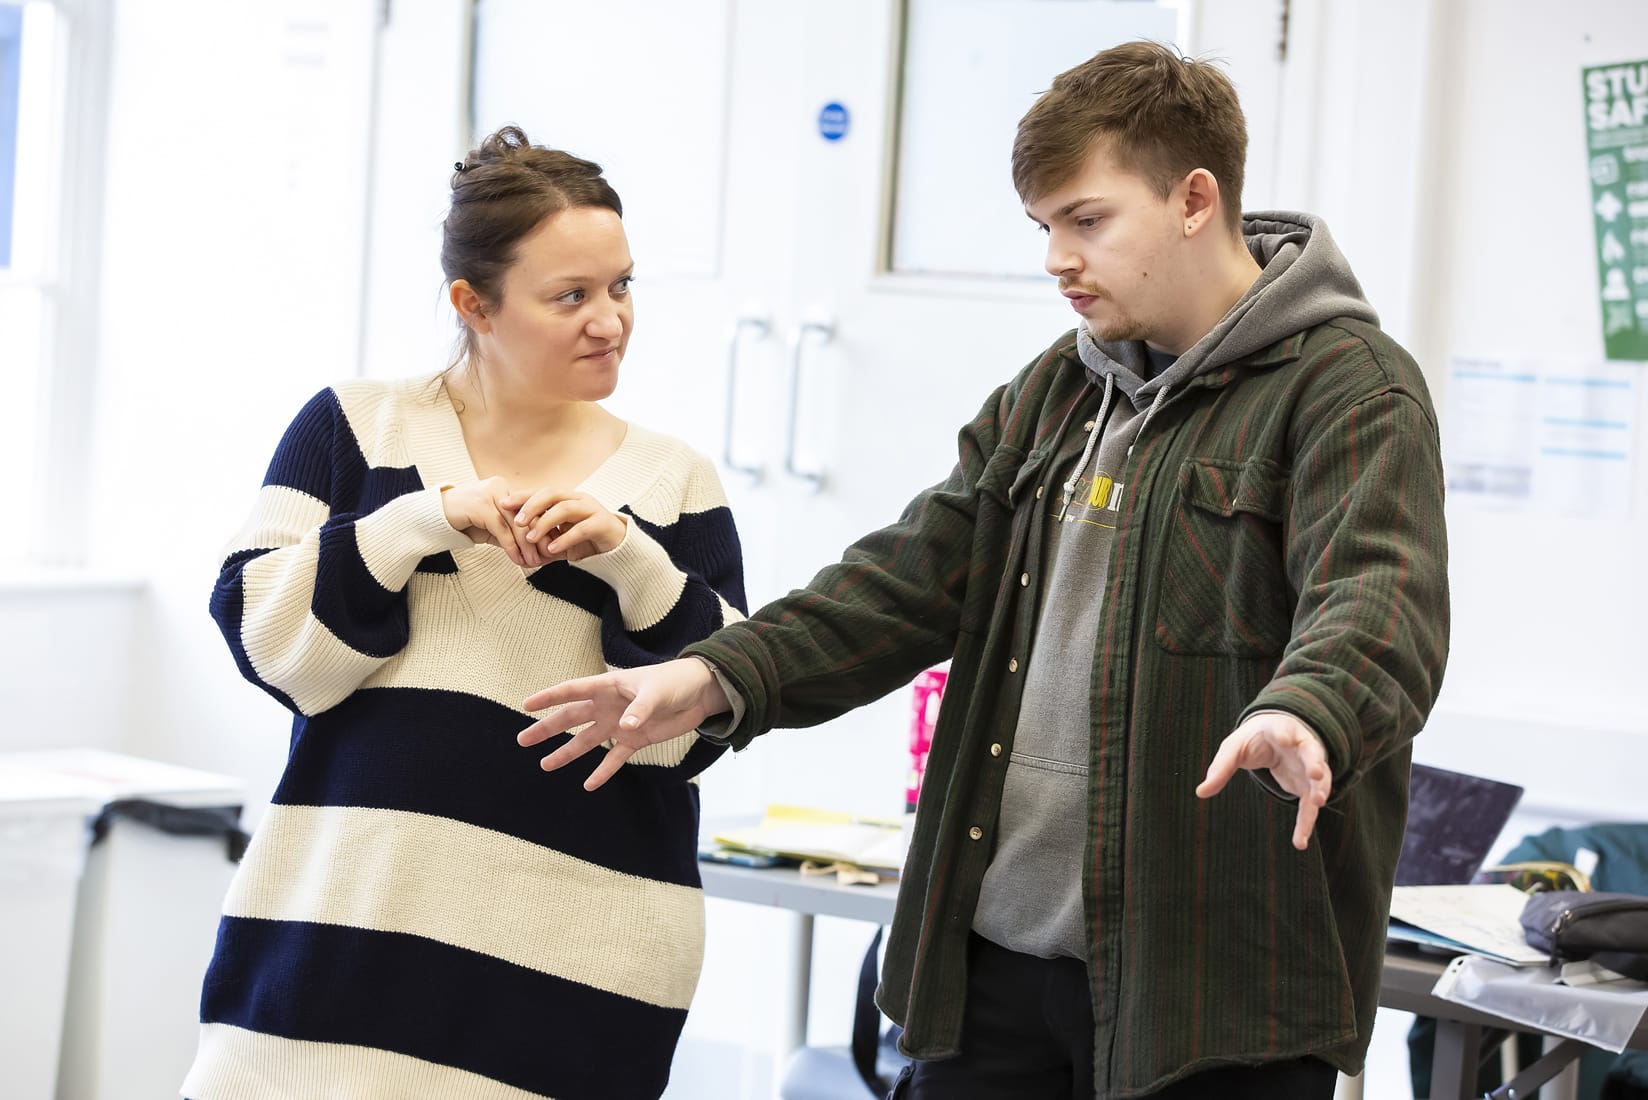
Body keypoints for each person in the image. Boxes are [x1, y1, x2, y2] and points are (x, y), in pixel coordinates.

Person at [520, 40, 1451, 1100]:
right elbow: (909, 577)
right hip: (995, 968)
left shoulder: (1350, 389)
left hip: (1210, 996)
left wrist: (1309, 709)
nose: (1056, 257)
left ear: (1195, 197)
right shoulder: (1056, 390)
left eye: (1086, 220)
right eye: (1043, 228)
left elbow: (1378, 601)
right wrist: (719, 673)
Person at [183, 125, 747, 1100]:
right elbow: (269, 644)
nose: (609, 320)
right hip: (334, 946)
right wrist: (416, 522)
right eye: (569, 295)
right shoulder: (355, 428)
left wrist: (630, 558)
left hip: (570, 975)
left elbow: (701, 723)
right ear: (472, 304)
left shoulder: (673, 482)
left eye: (621, 286)